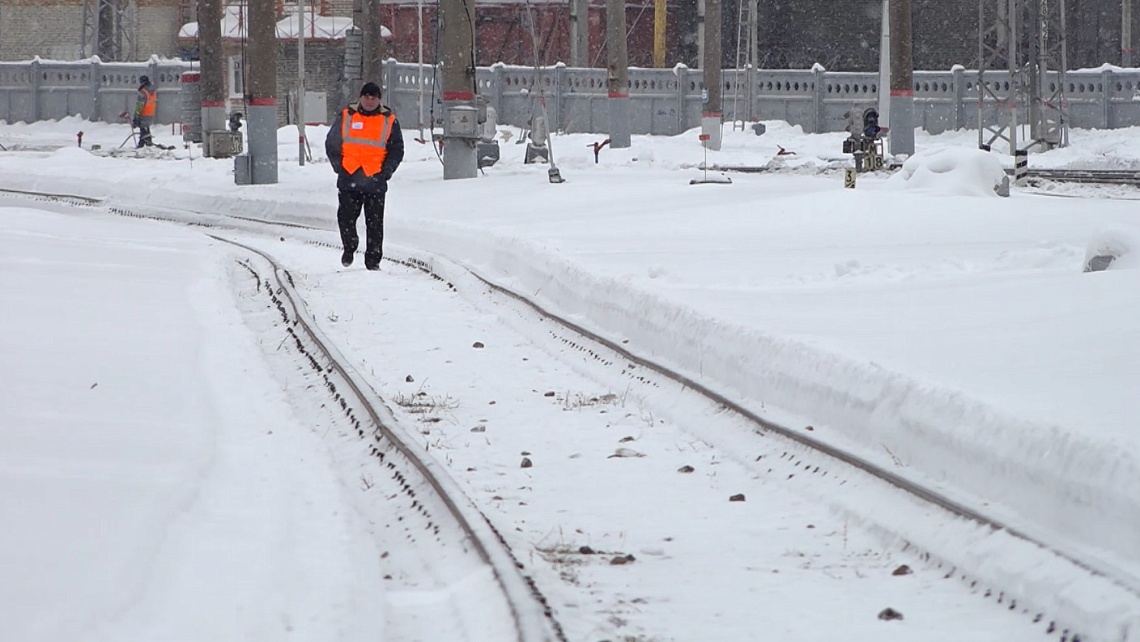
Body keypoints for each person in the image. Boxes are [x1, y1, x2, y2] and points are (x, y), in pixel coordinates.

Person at [324, 81, 405, 271]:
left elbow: (397, 150)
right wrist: (339, 167)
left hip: (375, 180)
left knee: (375, 224)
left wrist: (386, 172)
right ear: (361, 98)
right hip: (349, 177)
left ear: (379, 100)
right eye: (366, 97)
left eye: (373, 98)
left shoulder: (389, 120)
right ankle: (349, 246)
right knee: (346, 219)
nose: (369, 101)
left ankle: (373, 261)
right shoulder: (347, 116)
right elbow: (332, 143)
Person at [133, 75, 156, 148]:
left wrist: (136, 116)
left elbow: (140, 105)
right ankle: (142, 145)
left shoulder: (143, 92)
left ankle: (146, 145)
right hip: (150, 113)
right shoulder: (152, 91)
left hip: (144, 113)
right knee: (145, 131)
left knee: (144, 131)